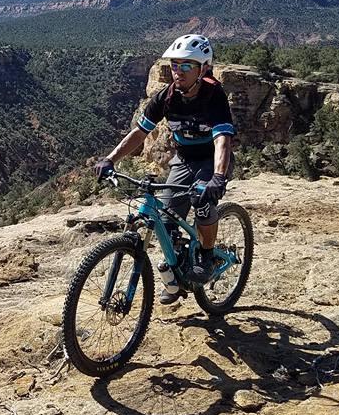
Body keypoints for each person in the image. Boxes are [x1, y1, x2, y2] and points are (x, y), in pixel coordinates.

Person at [94, 34, 236, 303]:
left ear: (202, 69)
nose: (177, 72)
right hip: (183, 159)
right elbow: (139, 133)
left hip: (210, 159)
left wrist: (217, 177)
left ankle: (206, 257)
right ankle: (177, 276)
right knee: (166, 219)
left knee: (203, 202)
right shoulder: (166, 97)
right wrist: (111, 159)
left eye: (185, 66)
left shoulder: (213, 96)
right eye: (174, 66)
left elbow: (222, 139)